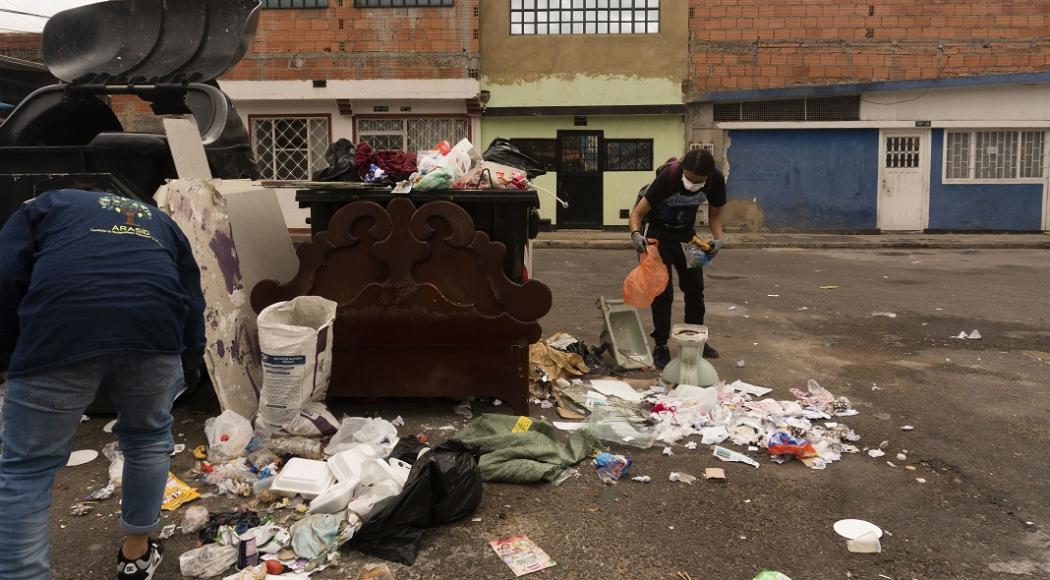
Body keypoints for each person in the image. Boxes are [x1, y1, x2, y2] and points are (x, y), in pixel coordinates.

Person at [0, 189, 205, 580]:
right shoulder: (159, 221)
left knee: (27, 468)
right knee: (147, 438)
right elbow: (191, 298)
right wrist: (189, 361)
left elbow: (7, 276)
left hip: (61, 331)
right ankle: (137, 553)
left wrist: (9, 353)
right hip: (153, 332)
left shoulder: (42, 208)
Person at [629, 148, 726, 369]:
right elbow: (637, 213)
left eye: (699, 181)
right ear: (683, 170)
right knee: (662, 291)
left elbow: (716, 213)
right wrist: (635, 235)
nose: (694, 184)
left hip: (686, 234)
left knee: (695, 289)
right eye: (690, 179)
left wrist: (718, 239)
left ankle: (695, 340)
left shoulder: (716, 179)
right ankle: (661, 345)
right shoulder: (669, 177)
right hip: (657, 234)